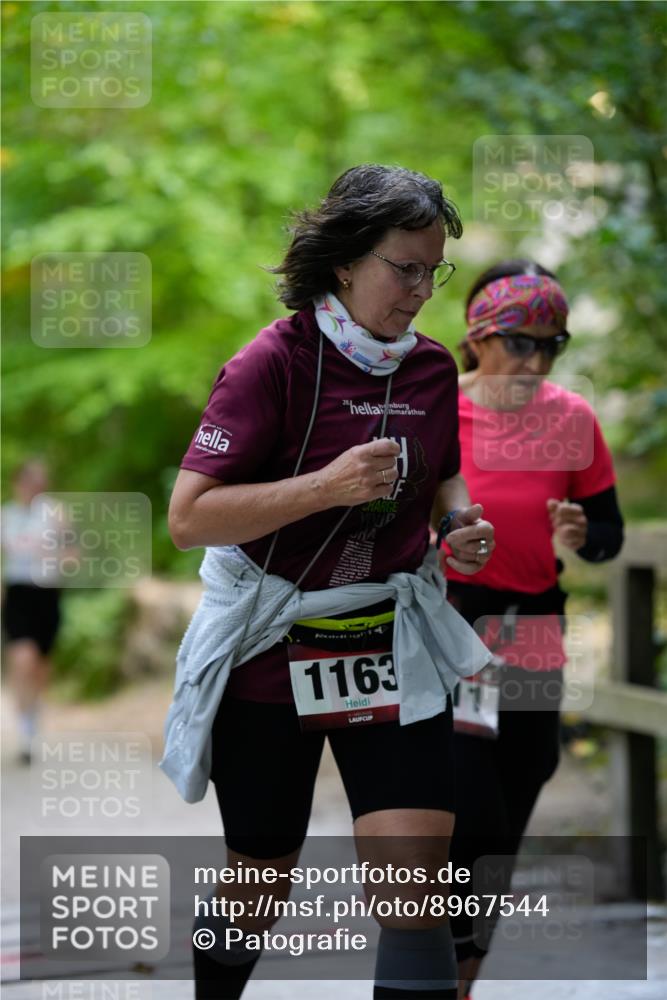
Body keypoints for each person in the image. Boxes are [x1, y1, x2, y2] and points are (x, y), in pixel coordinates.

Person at [162, 164, 497, 999]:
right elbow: (189, 519)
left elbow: (442, 476)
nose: (421, 291)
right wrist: (323, 487)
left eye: (434, 271)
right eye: (404, 268)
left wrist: (458, 524)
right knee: (258, 885)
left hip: (386, 637)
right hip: (271, 645)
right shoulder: (269, 364)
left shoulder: (429, 370)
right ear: (345, 261)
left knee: (413, 884)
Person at [442, 261, 624, 1000]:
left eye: (552, 346)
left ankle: (464, 975)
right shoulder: (435, 407)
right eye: (520, 342)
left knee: (521, 782)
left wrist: (584, 533)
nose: (536, 363)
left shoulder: (572, 418)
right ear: (479, 337)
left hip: (534, 621)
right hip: (454, 620)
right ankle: (439, 957)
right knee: (470, 800)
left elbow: (608, 534)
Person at [1, 459, 62, 764]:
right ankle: (24, 728)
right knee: (22, 660)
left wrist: (57, 557)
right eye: (27, 481)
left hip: (47, 593)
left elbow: (73, 553)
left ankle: (33, 715)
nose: (32, 487)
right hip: (18, 593)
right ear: (18, 484)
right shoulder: (6, 516)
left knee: (40, 667)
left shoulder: (56, 514)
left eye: (37, 482)